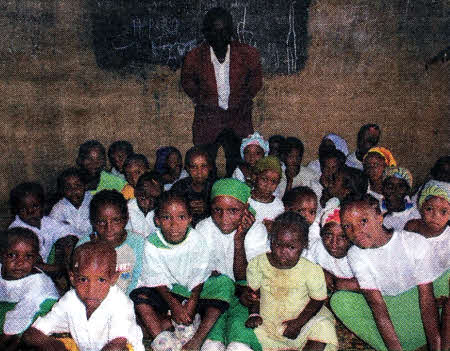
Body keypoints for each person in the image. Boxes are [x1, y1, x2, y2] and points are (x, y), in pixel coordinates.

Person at [331, 195, 446, 351]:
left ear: (379, 217)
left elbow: (427, 300)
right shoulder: (355, 254)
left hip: (424, 309)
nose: (356, 232)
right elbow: (377, 306)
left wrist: (436, 347)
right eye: (347, 226)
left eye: (363, 221)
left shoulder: (413, 242)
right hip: (395, 315)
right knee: (339, 301)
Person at [131, 193, 230, 351]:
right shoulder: (152, 243)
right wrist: (174, 304)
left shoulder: (196, 239)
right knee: (139, 295)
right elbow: (156, 278)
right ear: (157, 220)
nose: (174, 225)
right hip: (166, 292)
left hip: (192, 291)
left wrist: (192, 301)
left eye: (181, 217)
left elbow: (200, 272)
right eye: (166, 218)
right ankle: (162, 339)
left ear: (190, 218)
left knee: (224, 284)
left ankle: (196, 339)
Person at [181, 7, 263, 177]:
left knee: (239, 165)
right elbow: (187, 82)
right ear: (206, 33)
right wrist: (202, 100)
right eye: (214, 31)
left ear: (231, 32)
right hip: (208, 118)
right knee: (205, 165)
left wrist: (244, 99)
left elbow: (255, 80)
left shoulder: (248, 54)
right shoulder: (194, 57)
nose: (219, 37)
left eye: (224, 31)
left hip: (239, 116)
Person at [23, 241, 145, 351]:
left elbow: (117, 345)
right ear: (72, 278)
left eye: (101, 280)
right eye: (83, 279)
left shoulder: (120, 303)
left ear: (113, 278)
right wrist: (52, 344)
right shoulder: (70, 300)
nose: (91, 290)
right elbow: (31, 334)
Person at [245, 211, 338, 351]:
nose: (283, 251)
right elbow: (254, 294)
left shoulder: (311, 270)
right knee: (253, 334)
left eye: (291, 247)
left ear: (304, 245)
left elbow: (317, 300)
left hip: (303, 318)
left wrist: (299, 323)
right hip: (269, 321)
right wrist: (254, 313)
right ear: (271, 240)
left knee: (324, 327)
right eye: (278, 245)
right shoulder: (258, 264)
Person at [195, 178, 269, 350]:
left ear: (246, 208)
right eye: (217, 210)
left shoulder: (256, 231)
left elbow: (246, 279)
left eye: (233, 210)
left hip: (246, 295)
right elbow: (204, 274)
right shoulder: (204, 228)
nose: (224, 217)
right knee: (211, 342)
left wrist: (239, 239)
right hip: (216, 296)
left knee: (239, 340)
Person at [77, 190, 145, 296]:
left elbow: (137, 278)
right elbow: (80, 283)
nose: (109, 228)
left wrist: (123, 302)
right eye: (101, 222)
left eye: (116, 220)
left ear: (126, 218)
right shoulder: (84, 246)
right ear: (93, 222)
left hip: (128, 300)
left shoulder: (138, 243)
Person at [0, 228, 59, 351]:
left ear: (36, 258)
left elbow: (16, 323)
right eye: (12, 255)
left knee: (25, 337)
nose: (20, 262)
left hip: (39, 309)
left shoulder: (37, 284)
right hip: (14, 305)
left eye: (28, 256)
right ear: (1, 255)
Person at [8, 182, 79, 264]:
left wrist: (68, 240)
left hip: (49, 264)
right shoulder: (16, 231)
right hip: (28, 267)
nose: (30, 212)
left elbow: (68, 231)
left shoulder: (47, 221)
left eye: (35, 206)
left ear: (43, 205)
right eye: (23, 209)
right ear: (16, 211)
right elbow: (31, 262)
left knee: (69, 240)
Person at [304, 199, 358, 293]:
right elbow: (304, 262)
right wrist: (321, 272)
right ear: (321, 234)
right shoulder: (318, 247)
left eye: (342, 236)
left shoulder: (358, 256)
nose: (334, 242)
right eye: (328, 235)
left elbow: (373, 283)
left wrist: (338, 283)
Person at [171, 146, 216, 227]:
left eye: (204, 166)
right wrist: (186, 208)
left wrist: (208, 208)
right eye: (194, 167)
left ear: (210, 167)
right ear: (187, 169)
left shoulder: (216, 187)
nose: (199, 172)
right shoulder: (179, 188)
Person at [50, 167, 93, 237]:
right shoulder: (59, 208)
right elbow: (52, 231)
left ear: (85, 186)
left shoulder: (94, 201)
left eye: (78, 186)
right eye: (68, 187)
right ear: (62, 190)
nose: (73, 190)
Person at [248, 156, 284, 229]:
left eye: (274, 182)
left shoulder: (278, 205)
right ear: (255, 177)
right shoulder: (246, 199)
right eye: (264, 179)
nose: (268, 185)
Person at [381, 166, 420, 231]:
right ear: (383, 188)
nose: (395, 190)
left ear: (407, 190)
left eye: (401, 186)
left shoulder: (415, 214)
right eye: (390, 185)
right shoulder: (376, 212)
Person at [126, 171, 162, 238]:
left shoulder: (162, 210)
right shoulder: (127, 209)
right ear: (135, 192)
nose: (147, 203)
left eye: (153, 198)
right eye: (143, 197)